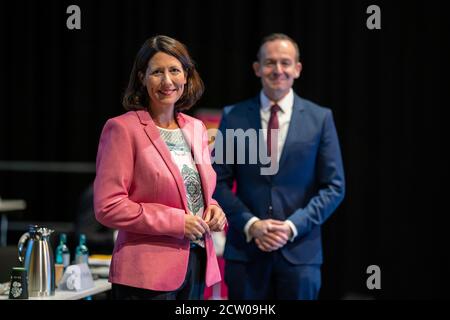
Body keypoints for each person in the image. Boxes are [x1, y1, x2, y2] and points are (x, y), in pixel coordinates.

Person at [212, 33, 345, 299]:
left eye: (285, 63)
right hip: (246, 253)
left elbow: (334, 186)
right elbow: (219, 181)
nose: (278, 70)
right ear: (257, 68)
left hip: (301, 254)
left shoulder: (320, 118)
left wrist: (293, 226)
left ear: (297, 69)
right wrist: (252, 225)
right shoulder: (233, 116)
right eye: (270, 62)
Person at [94, 35, 226, 300]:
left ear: (186, 76)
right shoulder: (122, 128)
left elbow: (197, 192)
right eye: (157, 72)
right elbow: (108, 207)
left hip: (197, 264)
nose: (167, 81)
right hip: (146, 274)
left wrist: (215, 210)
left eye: (175, 70)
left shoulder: (196, 128)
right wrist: (177, 222)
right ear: (142, 78)